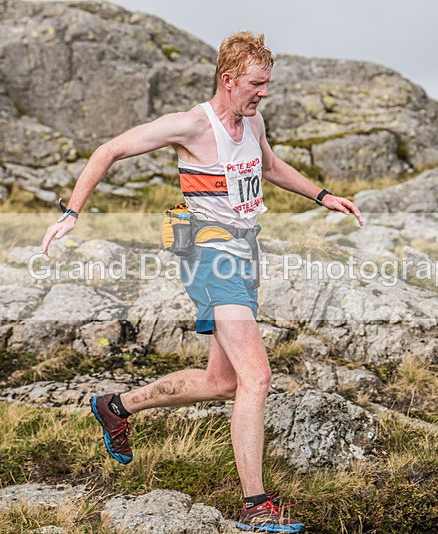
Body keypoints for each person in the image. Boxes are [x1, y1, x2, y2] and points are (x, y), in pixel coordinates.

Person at [40, 31, 363, 533]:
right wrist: (71, 214)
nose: (264, 93)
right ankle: (256, 506)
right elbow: (108, 150)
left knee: (223, 382)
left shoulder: (253, 121)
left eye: (267, 83)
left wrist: (323, 197)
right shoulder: (190, 125)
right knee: (257, 376)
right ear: (228, 79)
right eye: (256, 84)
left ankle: (116, 407)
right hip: (210, 258)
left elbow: (270, 166)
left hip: (245, 253)